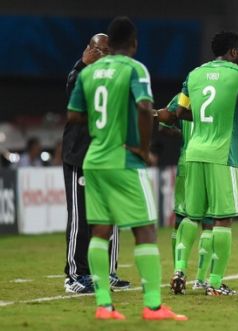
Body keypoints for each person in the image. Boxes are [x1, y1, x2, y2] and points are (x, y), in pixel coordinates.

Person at [67, 16, 186, 320]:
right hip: (123, 160)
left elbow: (74, 116)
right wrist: (143, 149)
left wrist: (102, 127)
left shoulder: (88, 74)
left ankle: (105, 306)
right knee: (145, 229)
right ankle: (153, 306)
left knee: (100, 230)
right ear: (133, 43)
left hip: (94, 159)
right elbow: (145, 108)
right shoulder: (135, 69)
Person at [175, 31, 238, 296]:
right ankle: (214, 284)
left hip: (194, 152)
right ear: (234, 52)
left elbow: (180, 111)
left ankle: (179, 269)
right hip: (221, 155)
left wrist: (207, 118)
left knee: (192, 216)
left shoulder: (193, 74)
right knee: (222, 220)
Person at [156, 95, 238, 294]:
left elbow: (166, 120)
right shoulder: (225, 94)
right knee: (213, 221)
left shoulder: (187, 94)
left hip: (188, 160)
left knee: (185, 216)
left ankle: (178, 270)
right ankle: (202, 279)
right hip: (216, 158)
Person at [63, 33, 129, 294]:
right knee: (80, 218)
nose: (101, 55)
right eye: (97, 50)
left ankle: (106, 271)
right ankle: (75, 275)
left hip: (107, 157)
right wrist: (81, 64)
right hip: (80, 156)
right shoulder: (80, 75)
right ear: (88, 50)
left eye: (106, 51)